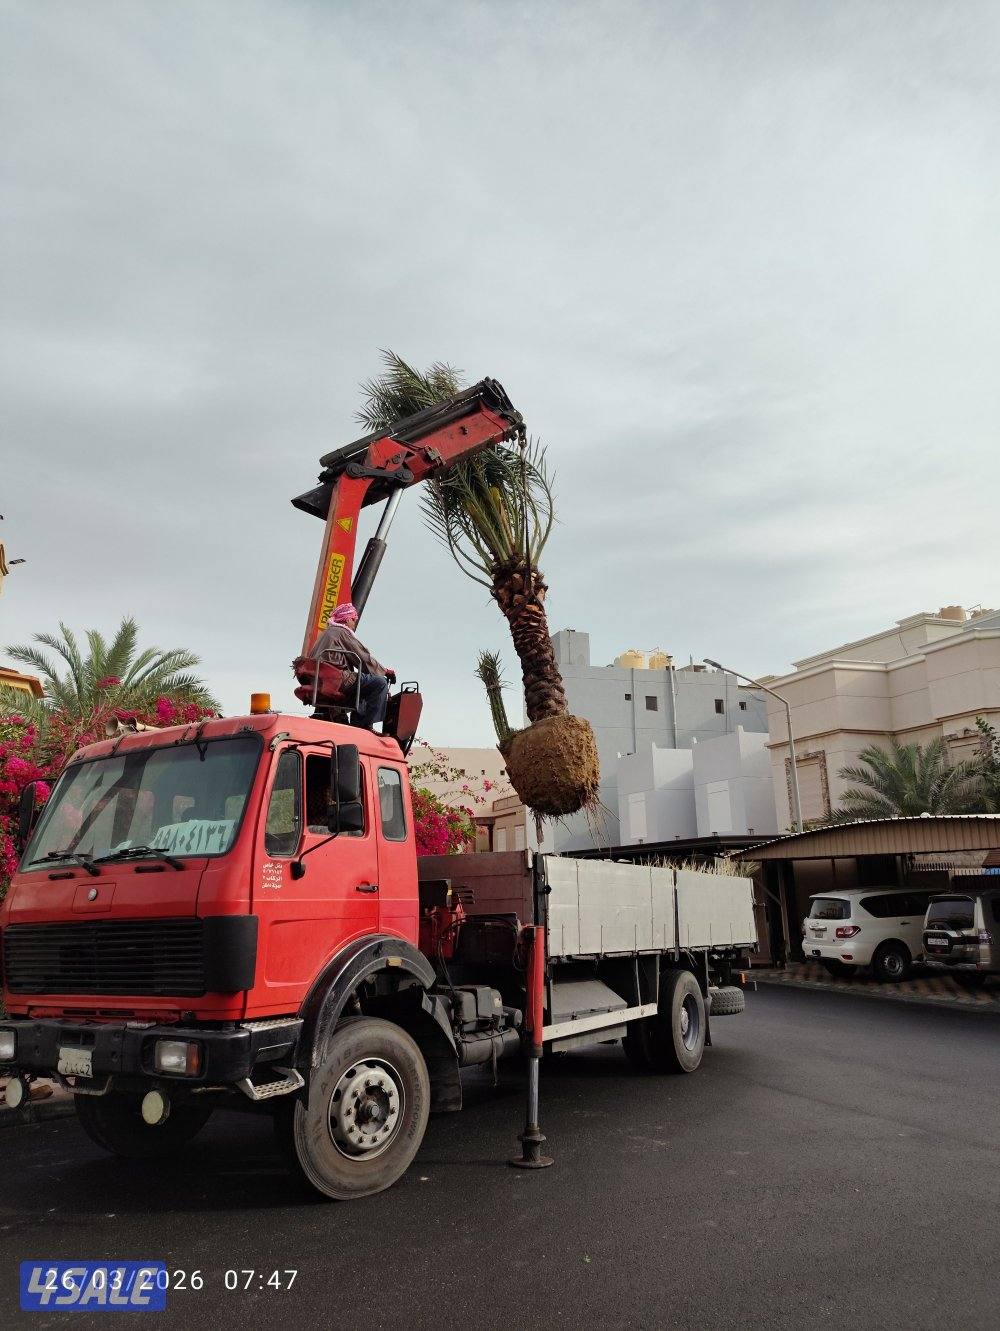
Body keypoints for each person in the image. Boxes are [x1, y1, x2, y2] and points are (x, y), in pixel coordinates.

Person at [309, 603, 395, 730]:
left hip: (321, 681)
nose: (354, 623)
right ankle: (363, 726)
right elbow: (363, 657)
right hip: (337, 679)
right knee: (379, 683)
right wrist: (385, 671)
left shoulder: (325, 634)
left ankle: (341, 717)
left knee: (363, 683)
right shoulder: (342, 632)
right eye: (354, 620)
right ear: (347, 619)